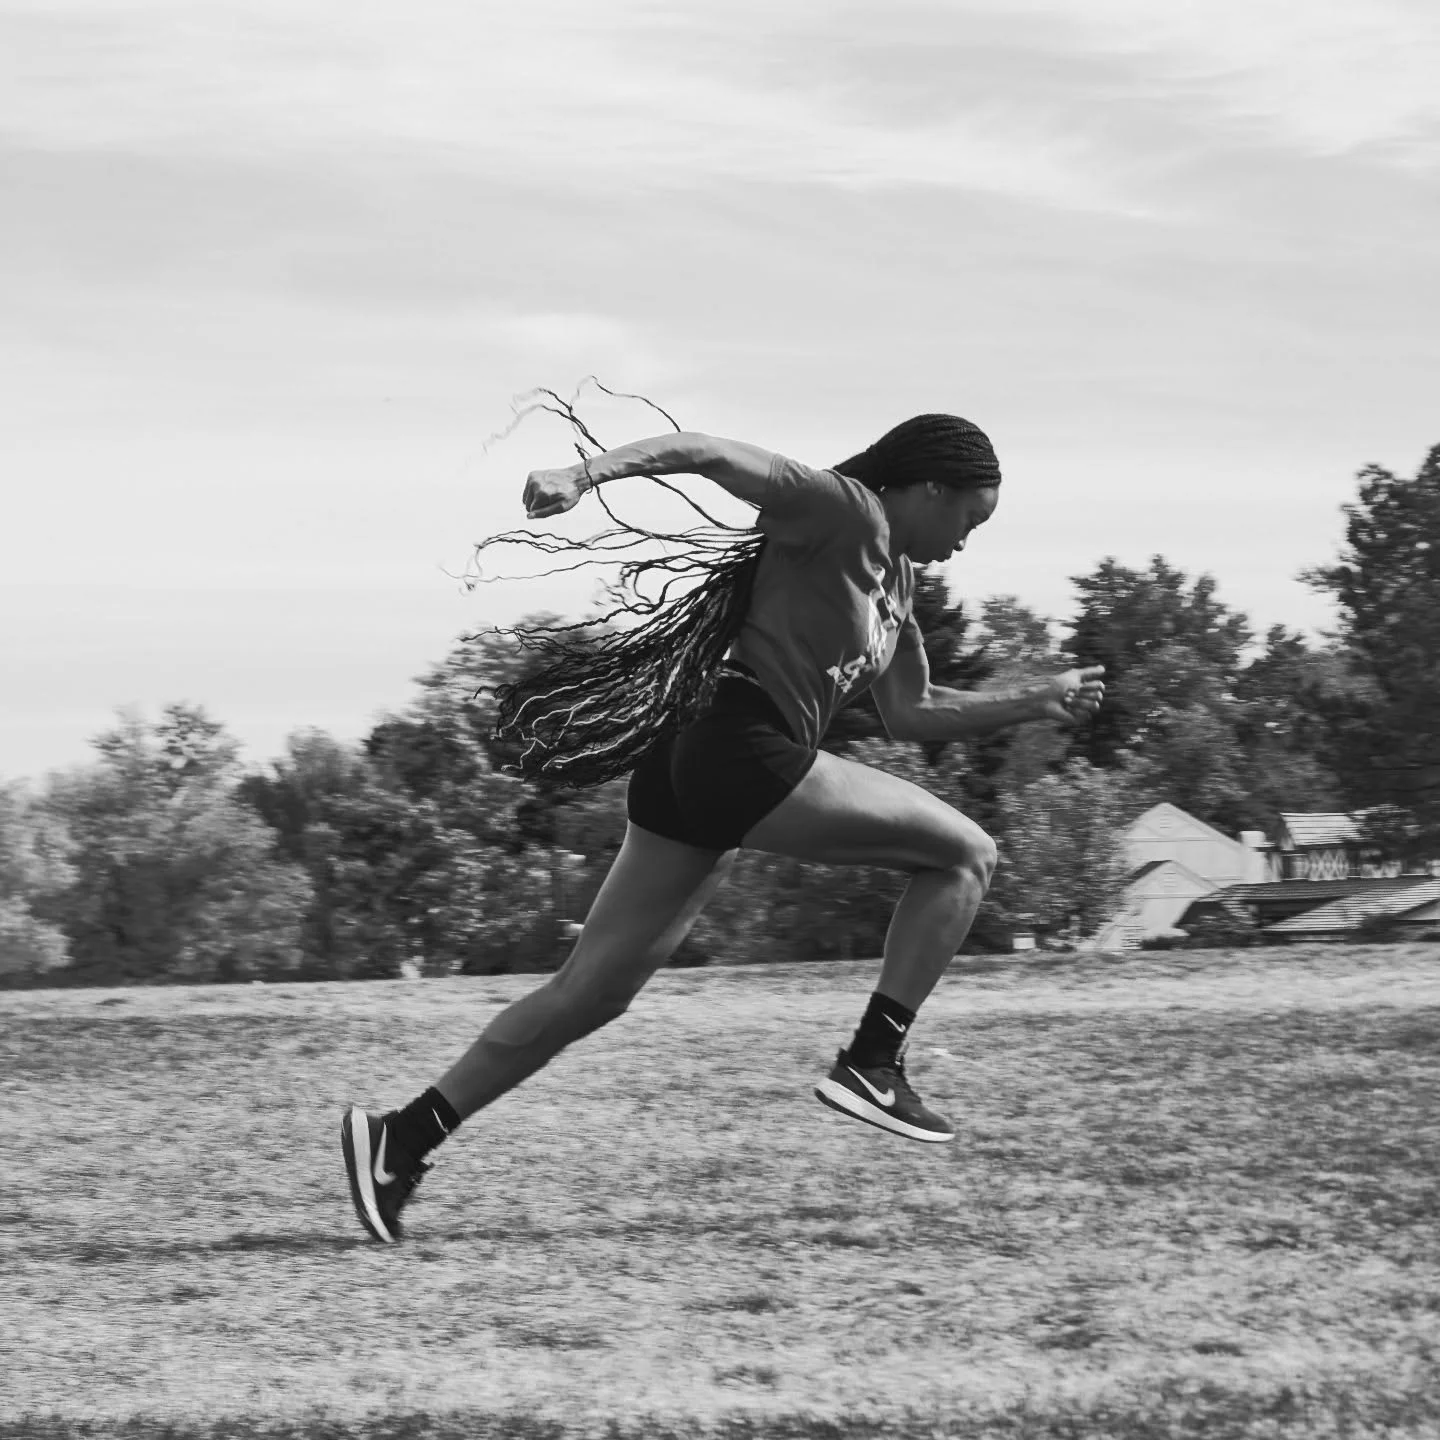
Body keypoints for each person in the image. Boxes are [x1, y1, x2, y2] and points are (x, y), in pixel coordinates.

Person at [342, 413, 1105, 1244]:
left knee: (591, 993)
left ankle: (401, 1138)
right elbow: (704, 452)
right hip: (738, 746)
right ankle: (873, 1062)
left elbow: (912, 711)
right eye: (969, 518)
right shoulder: (842, 509)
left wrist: (1035, 699)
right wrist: (583, 477)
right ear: (930, 489)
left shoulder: (897, 585)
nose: (967, 540)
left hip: (699, 764)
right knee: (967, 855)